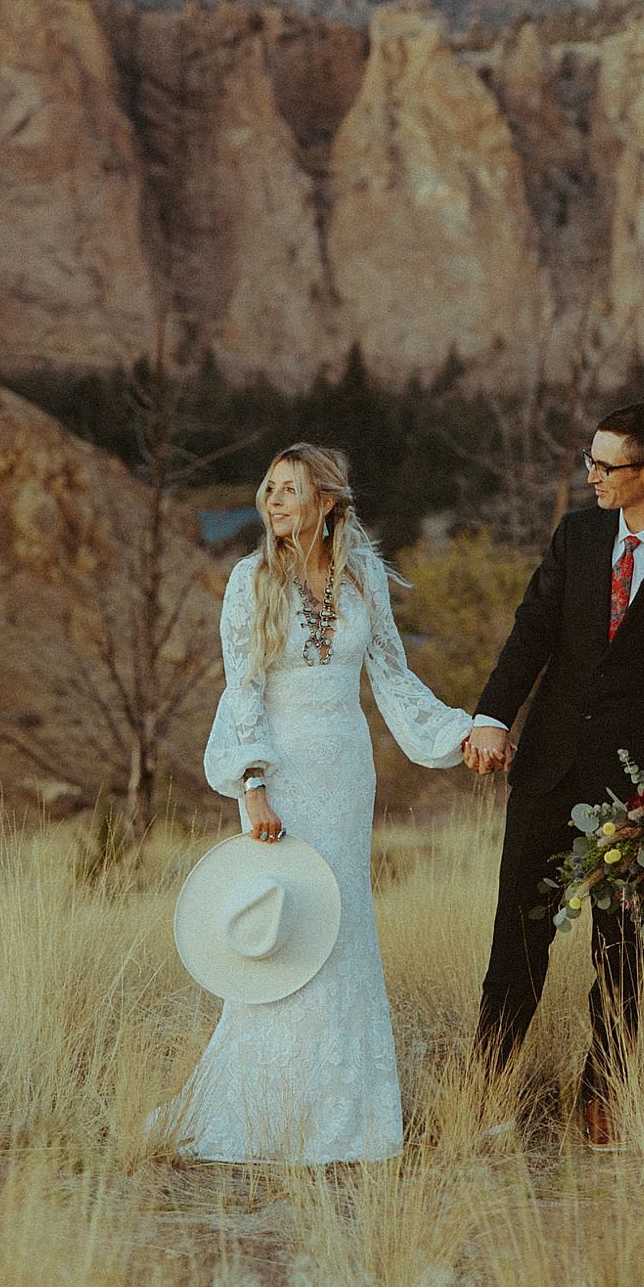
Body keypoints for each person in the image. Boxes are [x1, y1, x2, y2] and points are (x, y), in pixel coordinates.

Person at [163, 442, 475, 1164]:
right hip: (279, 774)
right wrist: (253, 786)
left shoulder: (361, 575)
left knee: (343, 930)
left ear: (327, 503)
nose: (272, 502)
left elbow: (394, 677)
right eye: (268, 489)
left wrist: (461, 733)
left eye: (289, 490)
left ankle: (350, 1124)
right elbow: (242, 690)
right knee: (282, 928)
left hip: (344, 767)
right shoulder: (250, 579)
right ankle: (262, 1115)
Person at [463, 402, 644, 1146]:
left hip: (634, 792)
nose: (590, 477)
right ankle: (483, 1086)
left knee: (619, 950)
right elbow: (531, 633)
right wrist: (492, 715)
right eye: (588, 461)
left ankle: (605, 1092)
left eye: (604, 466)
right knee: (515, 939)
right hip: (548, 769)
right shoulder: (578, 536)